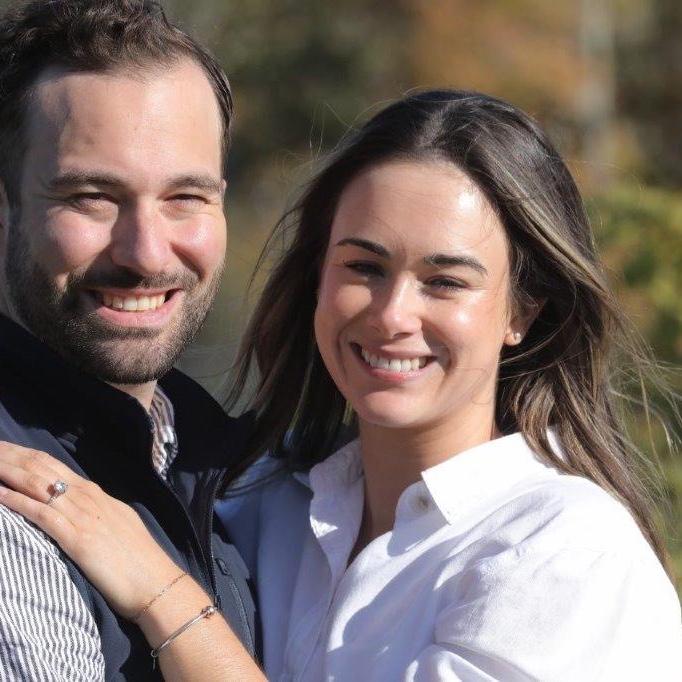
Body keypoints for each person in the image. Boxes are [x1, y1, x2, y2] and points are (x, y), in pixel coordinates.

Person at [1, 90, 681, 680]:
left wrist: (164, 595)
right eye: (364, 267)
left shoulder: (563, 552)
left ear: (522, 312)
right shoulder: (259, 507)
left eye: (445, 281)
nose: (391, 315)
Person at [0, 0, 259, 679]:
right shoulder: (13, 501)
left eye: (185, 198)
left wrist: (166, 597)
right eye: (92, 197)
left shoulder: (233, 470)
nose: (146, 253)